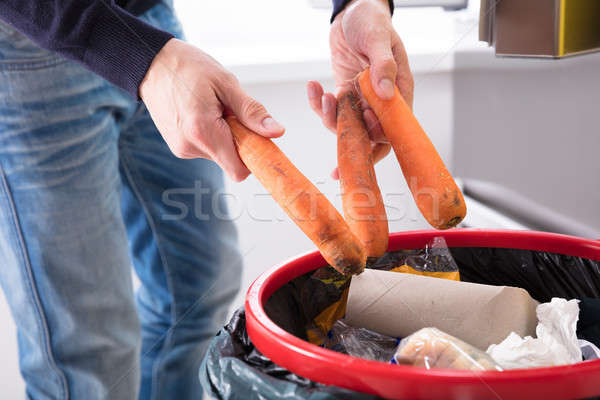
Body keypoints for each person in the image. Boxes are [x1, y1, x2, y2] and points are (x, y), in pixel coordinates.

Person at [0, 0, 413, 398]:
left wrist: (356, 5)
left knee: (200, 288)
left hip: (147, 20)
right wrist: (146, 58)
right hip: (28, 40)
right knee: (88, 343)